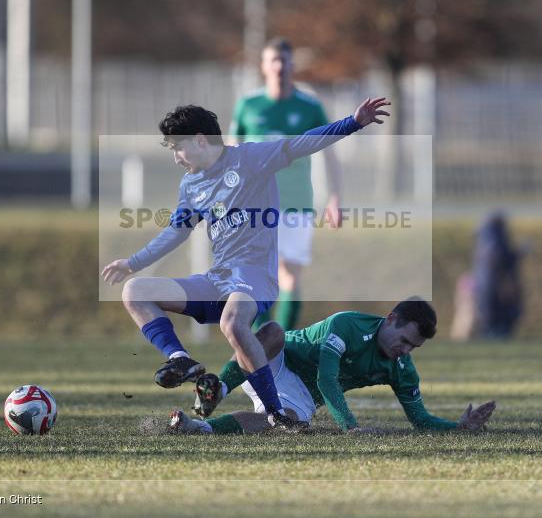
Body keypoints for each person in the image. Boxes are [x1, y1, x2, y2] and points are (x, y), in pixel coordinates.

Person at [101, 98, 389, 428]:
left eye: (178, 148)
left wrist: (353, 123)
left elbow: (301, 143)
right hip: (217, 280)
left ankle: (276, 413)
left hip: (255, 276)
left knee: (233, 323)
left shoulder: (249, 158)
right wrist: (132, 263)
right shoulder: (191, 185)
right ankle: (181, 360)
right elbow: (176, 232)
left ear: (200, 140)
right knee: (134, 291)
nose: (176, 157)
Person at [169, 298, 496, 434]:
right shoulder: (348, 325)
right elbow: (327, 378)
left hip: (301, 396)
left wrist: (457, 427)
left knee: (284, 422)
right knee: (272, 332)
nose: (405, 350)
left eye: (413, 347)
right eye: (405, 340)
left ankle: (199, 428)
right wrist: (350, 428)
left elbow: (420, 419)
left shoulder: (402, 368)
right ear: (391, 319)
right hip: (278, 358)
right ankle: (217, 390)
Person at [231, 38, 343, 331]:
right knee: (256, 274)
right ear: (264, 66)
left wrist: (335, 198)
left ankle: (282, 342)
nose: (279, 66)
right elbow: (232, 153)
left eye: (284, 60)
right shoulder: (248, 105)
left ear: (292, 65)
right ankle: (258, 344)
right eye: (274, 60)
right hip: (255, 203)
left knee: (290, 274)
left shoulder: (309, 108)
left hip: (296, 202)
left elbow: (330, 154)